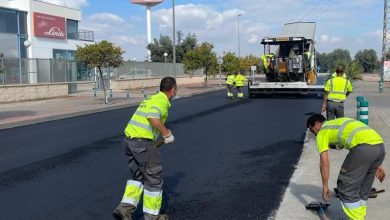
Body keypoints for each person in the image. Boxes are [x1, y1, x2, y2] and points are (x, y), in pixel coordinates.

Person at [113, 77, 177, 220]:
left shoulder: (151, 98)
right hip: (142, 143)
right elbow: (153, 118)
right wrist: (166, 133)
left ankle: (124, 210)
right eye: (175, 90)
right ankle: (152, 217)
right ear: (173, 90)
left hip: (129, 141)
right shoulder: (161, 101)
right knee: (154, 178)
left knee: (138, 177)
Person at [307, 114, 386, 220]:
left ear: (317, 124)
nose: (313, 133)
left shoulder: (322, 132)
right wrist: (376, 164)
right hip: (379, 147)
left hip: (364, 149)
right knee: (364, 187)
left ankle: (357, 218)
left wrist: (325, 186)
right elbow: (363, 137)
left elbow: (324, 163)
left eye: (311, 129)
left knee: (345, 186)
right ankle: (360, 215)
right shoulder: (339, 122)